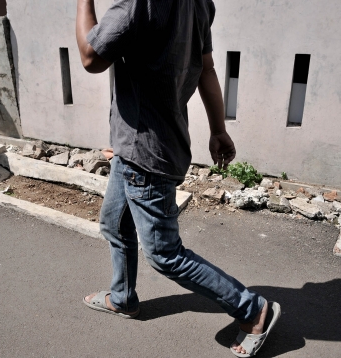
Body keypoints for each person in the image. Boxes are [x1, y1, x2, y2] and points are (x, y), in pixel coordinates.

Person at [75, 1, 280, 356]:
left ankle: (252, 309)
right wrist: (218, 129)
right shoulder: (199, 2)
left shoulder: (137, 4)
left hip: (147, 153)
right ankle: (123, 297)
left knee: (165, 255)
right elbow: (207, 69)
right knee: (114, 223)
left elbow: (91, 57)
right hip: (138, 145)